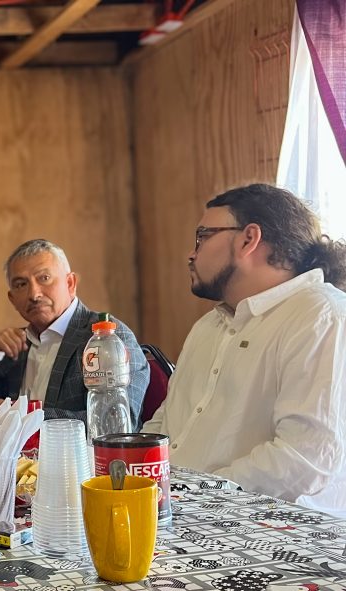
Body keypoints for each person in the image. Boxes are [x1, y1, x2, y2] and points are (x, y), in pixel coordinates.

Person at [145, 183, 346, 515]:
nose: (191, 255)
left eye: (202, 237)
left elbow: (304, 459)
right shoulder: (209, 325)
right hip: (180, 515)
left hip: (271, 530)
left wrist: (190, 494)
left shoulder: (321, 316)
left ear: (249, 239)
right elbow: (167, 423)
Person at [0, 239, 149, 425]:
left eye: (44, 278)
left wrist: (24, 415)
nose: (34, 294)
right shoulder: (14, 346)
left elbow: (116, 421)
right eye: (21, 284)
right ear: (12, 299)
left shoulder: (107, 339)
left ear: (70, 283)